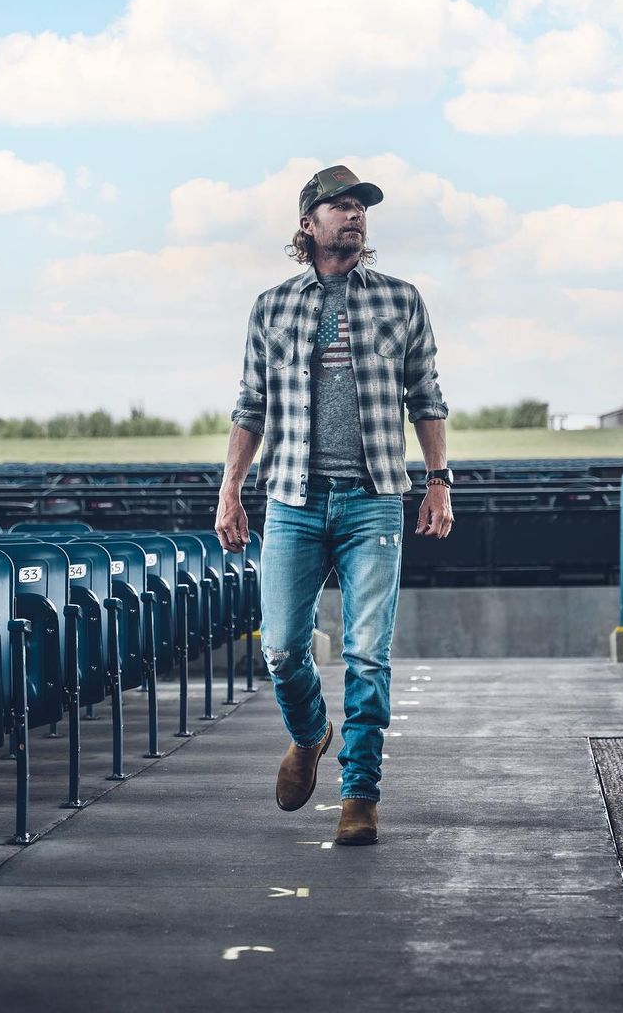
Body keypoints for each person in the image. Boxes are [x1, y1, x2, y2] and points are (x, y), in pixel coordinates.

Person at [216, 164, 453, 846]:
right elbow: (251, 405)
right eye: (339, 206)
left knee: (367, 654)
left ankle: (360, 794)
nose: (354, 215)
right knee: (282, 648)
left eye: (360, 207)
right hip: (292, 500)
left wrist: (439, 481)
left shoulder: (401, 299)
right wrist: (230, 489)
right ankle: (310, 733)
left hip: (373, 500)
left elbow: (426, 396)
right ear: (307, 224)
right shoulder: (272, 307)